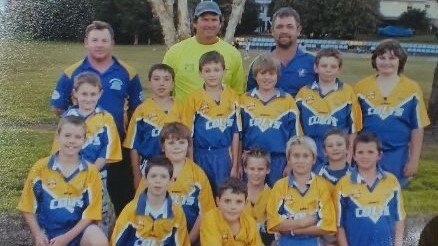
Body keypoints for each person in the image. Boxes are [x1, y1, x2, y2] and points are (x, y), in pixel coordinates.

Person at [51, 20, 144, 215]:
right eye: (94, 40)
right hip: (80, 146)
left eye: (104, 40)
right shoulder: (71, 73)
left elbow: (138, 107)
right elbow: (58, 108)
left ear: (112, 43)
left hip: (116, 144)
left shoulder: (127, 72)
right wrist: (81, 122)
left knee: (120, 197)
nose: (99, 44)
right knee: (78, 195)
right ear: (86, 42)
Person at [18, 116, 107, 246]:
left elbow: (92, 214)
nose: (72, 141)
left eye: (77, 137)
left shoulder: (91, 172)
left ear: (84, 140)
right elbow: (27, 206)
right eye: (67, 135)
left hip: (78, 234)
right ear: (58, 136)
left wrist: (66, 238)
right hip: (48, 236)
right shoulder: (41, 167)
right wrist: (38, 234)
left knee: (98, 239)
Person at [354, 39, 430, 187]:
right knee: (364, 195)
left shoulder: (412, 89)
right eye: (382, 58)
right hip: (366, 153)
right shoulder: (361, 87)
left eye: (392, 58)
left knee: (391, 196)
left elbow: (417, 128)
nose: (386, 62)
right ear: (375, 60)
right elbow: (353, 126)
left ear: (400, 61)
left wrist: (413, 160)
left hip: (398, 154)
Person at [53, 71, 121, 236]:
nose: (88, 98)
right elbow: (58, 149)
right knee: (73, 210)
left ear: (100, 94)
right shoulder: (67, 117)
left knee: (100, 211)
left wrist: (89, 172)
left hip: (97, 174)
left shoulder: (106, 118)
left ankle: (101, 238)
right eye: (84, 94)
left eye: (93, 94)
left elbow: (108, 152)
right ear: (75, 93)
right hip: (70, 175)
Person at [135, 122, 216, 245]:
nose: (176, 147)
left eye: (182, 142)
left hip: (190, 237)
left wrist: (187, 240)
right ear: (163, 146)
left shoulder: (198, 175)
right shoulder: (153, 171)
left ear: (188, 145)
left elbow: (205, 213)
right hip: (158, 238)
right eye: (171, 143)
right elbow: (139, 207)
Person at [181, 51, 241, 194]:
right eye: (207, 70)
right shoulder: (193, 98)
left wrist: (235, 165)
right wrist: (190, 163)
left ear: (224, 72)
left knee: (224, 194)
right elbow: (188, 134)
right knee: (202, 195)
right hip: (201, 154)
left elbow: (236, 133)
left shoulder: (233, 96)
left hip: (224, 156)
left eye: (216, 70)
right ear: (200, 73)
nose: (212, 74)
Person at [163, 0, 245, 99]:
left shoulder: (233, 54)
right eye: (205, 19)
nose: (209, 25)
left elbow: (238, 93)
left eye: (214, 20)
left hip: (221, 113)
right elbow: (163, 90)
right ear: (194, 23)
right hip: (185, 113)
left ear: (220, 24)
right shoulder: (175, 52)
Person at [335, 132, 406, 246]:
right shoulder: (344, 184)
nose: (365, 156)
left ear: (379, 155)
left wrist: (398, 244)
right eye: (360, 152)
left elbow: (399, 218)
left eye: (370, 152)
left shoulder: (391, 181)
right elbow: (340, 225)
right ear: (353, 156)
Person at [240, 53, 300, 187]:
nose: (267, 77)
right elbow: (238, 134)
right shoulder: (244, 100)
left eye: (271, 74)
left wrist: (290, 163)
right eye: (262, 73)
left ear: (277, 76)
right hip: (251, 158)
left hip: (278, 159)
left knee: (276, 196)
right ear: (255, 76)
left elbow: (295, 137)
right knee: (250, 196)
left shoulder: (287, 101)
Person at [295, 48, 362, 166]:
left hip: (336, 151)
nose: (328, 70)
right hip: (310, 151)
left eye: (333, 66)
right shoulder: (303, 93)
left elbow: (353, 129)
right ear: (316, 68)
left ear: (339, 69)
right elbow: (296, 127)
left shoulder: (347, 93)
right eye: (324, 66)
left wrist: (349, 153)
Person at [266, 136, 336, 246]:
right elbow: (273, 223)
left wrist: (294, 229)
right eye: (296, 156)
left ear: (313, 159)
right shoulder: (280, 186)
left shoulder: (322, 186)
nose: (300, 160)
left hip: (313, 242)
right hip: (286, 242)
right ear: (288, 159)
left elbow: (327, 225)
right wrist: (303, 222)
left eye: (306, 156)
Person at [123, 64, 181, 189]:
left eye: (166, 79)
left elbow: (189, 141)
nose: (161, 83)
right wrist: (137, 175)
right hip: (149, 165)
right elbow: (134, 146)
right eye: (156, 79)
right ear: (149, 83)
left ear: (173, 84)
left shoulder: (182, 108)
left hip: (176, 166)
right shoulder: (142, 111)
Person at [111, 156, 190, 246]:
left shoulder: (177, 212)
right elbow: (116, 242)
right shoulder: (131, 209)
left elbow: (183, 243)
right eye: (153, 176)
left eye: (163, 177)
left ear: (171, 181)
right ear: (145, 179)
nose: (158, 181)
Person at [247, 7, 316, 97]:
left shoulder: (314, 62)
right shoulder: (258, 62)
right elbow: (250, 100)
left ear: (298, 30)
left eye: (289, 26)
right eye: (279, 27)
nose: (284, 31)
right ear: (272, 31)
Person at [200, 177, 263, 245]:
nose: (233, 207)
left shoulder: (250, 223)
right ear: (218, 201)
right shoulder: (211, 219)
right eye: (227, 201)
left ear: (245, 203)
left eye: (239, 202)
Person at [242, 148, 275, 245]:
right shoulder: (236, 195)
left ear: (268, 170)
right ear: (245, 169)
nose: (256, 173)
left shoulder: (273, 195)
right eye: (252, 169)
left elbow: (276, 234)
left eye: (260, 169)